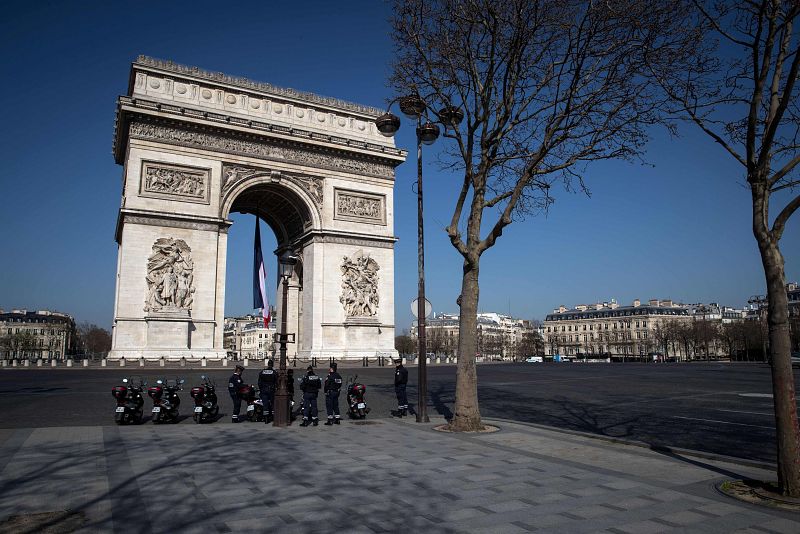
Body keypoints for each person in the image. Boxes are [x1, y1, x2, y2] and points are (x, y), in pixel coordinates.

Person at [258, 359, 277, 424]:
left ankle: (266, 419)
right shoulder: (274, 372)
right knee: (273, 403)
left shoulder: (262, 372)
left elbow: (259, 382)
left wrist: (261, 388)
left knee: (265, 404)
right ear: (272, 365)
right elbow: (277, 381)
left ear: (268, 364)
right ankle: (273, 417)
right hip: (271, 390)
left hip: (264, 390)